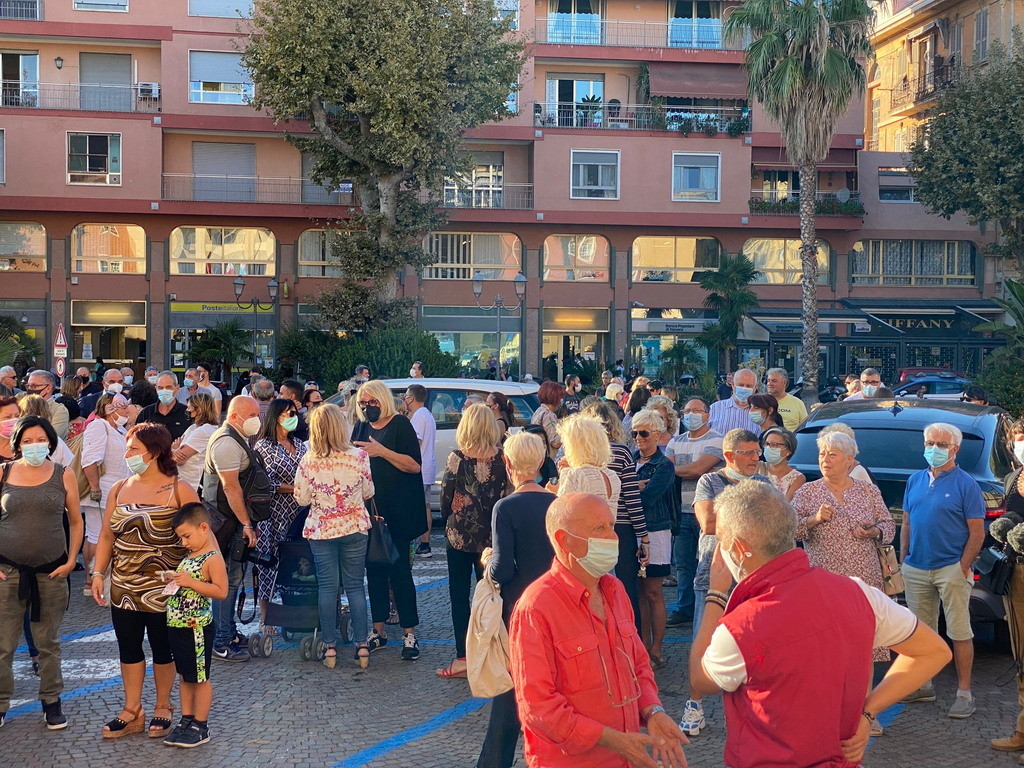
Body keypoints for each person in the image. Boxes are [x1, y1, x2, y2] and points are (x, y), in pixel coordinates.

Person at [688, 481, 953, 768]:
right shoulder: (859, 593)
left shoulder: (741, 627)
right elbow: (934, 651)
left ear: (739, 549)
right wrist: (868, 712)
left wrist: (715, 595)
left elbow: (700, 680)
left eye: (721, 541)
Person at [509, 493, 688, 768]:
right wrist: (613, 740)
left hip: (627, 759)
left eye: (612, 526)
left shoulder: (615, 590)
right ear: (564, 540)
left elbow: (639, 665)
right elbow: (538, 707)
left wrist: (653, 711)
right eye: (599, 528)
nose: (613, 537)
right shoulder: (536, 607)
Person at [91, 423, 200, 739]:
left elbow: (200, 537)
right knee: (128, 646)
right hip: (124, 585)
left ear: (153, 452)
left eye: (133, 449)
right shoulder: (119, 488)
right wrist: (98, 573)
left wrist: (195, 578)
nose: (127, 454)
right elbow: (107, 535)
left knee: (163, 647)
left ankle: (163, 705)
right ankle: (132, 710)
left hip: (166, 587)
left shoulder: (180, 489)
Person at [792, 430, 896, 732]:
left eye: (832, 454)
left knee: (863, 649)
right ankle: (830, 714)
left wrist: (874, 531)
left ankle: (865, 715)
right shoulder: (808, 492)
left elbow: (888, 526)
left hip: (864, 581)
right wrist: (814, 520)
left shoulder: (867, 491)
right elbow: (790, 530)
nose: (825, 459)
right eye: (822, 454)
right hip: (823, 583)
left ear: (849, 460)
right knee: (826, 649)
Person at [681, 428, 770, 737]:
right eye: (748, 452)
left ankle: (748, 708)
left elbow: (772, 529)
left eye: (757, 452)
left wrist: (735, 522)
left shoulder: (764, 484)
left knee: (753, 646)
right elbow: (707, 523)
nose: (756, 458)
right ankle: (694, 705)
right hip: (713, 573)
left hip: (752, 578)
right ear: (730, 455)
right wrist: (752, 522)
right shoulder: (709, 481)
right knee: (703, 641)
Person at [477, 431, 556, 768]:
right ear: (540, 462)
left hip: (518, 608)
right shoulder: (556, 503)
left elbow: (503, 569)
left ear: (507, 463)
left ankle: (494, 762)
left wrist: (487, 561)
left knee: (510, 691)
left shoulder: (506, 507)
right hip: (553, 602)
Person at [0, 415, 83, 730]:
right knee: (3, 644)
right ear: (18, 444)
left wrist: (71, 560)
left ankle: (51, 701)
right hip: (7, 572)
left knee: (48, 642)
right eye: (27, 440)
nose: (34, 445)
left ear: (50, 442)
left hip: (51, 573)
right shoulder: (3, 472)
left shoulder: (64, 474)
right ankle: (0, 703)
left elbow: (76, 521)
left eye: (40, 439)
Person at [899, 422, 986, 718]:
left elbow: (977, 532)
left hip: (951, 568)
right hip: (916, 567)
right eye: (929, 443)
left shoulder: (966, 484)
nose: (933, 449)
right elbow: (907, 523)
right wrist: (904, 558)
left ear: (954, 449)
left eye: (941, 444)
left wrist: (962, 566)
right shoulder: (915, 480)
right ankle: (923, 685)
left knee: (959, 631)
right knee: (920, 633)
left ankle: (964, 694)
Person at [293, 404, 374, 669]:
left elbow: (301, 498)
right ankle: (362, 645)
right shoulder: (359, 456)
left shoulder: (308, 460)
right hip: (354, 526)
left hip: (322, 529)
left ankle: (329, 647)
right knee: (355, 587)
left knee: (327, 588)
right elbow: (368, 492)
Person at [352, 380, 426, 661]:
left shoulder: (400, 425)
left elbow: (414, 465)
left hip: (399, 511)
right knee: (374, 570)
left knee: (400, 572)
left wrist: (382, 452)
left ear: (382, 400)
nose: (367, 407)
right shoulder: (361, 427)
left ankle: (409, 633)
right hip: (370, 511)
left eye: (372, 402)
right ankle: (378, 631)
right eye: (363, 403)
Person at [436, 404, 508, 679]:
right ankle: (492, 654)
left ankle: (463, 657)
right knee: (491, 596)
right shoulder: (502, 458)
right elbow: (507, 495)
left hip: (459, 535)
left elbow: (445, 497)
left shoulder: (457, 458)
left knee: (459, 595)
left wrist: (450, 517)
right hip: (491, 537)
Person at [200, 395, 262, 663]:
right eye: (252, 415)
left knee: (232, 579)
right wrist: (246, 523)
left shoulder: (236, 437)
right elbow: (230, 487)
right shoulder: (226, 442)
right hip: (226, 522)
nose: (257, 420)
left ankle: (228, 632)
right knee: (227, 581)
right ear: (235, 416)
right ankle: (221, 640)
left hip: (229, 521)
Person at [162, 503, 228, 749]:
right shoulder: (189, 557)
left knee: (200, 678)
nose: (184, 542)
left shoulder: (213, 558)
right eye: (181, 538)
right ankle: (186, 719)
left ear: (203, 528)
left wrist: (190, 582)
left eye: (187, 536)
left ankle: (201, 724)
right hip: (178, 625)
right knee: (185, 676)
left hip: (196, 627)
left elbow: (221, 591)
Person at [580, 400, 649, 632]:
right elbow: (632, 498)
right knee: (626, 590)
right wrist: (644, 537)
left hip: (586, 528)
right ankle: (631, 641)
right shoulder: (621, 452)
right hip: (621, 527)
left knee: (591, 588)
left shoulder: (577, 454)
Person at [664, 397, 723, 627]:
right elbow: (666, 469)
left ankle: (708, 609)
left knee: (706, 561)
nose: (691, 415)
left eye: (697, 410)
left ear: (707, 415)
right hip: (681, 510)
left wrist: (675, 469)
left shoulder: (716, 440)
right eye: (687, 410)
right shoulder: (675, 441)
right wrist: (677, 470)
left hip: (707, 512)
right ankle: (684, 608)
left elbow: (698, 469)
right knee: (683, 563)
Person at [253, 398, 308, 630]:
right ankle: (266, 616)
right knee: (268, 563)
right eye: (289, 413)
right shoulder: (264, 447)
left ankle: (295, 612)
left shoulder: (300, 444)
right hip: (273, 514)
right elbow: (266, 483)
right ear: (277, 417)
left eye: (295, 413)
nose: (294, 417)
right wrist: (295, 488)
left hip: (298, 513)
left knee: (296, 562)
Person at [631, 410, 675, 670]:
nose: (638, 438)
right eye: (635, 433)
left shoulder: (664, 465)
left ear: (657, 435)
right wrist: (634, 488)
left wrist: (629, 491)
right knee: (639, 591)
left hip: (656, 531)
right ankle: (643, 646)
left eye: (644, 433)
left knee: (653, 592)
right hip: (633, 531)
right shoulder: (631, 460)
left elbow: (648, 499)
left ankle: (656, 648)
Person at [990, 422, 1024, 754]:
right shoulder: (1014, 478)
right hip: (1016, 573)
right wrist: (1005, 527)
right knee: (1020, 654)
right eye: (1019, 440)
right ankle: (1022, 728)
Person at [81, 393, 132, 584]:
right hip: (101, 491)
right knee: (97, 535)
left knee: (98, 534)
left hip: (115, 492)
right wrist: (95, 487)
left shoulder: (118, 429)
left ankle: (95, 577)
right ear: (109, 409)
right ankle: (93, 578)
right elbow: (89, 460)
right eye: (122, 407)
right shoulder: (99, 426)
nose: (126, 411)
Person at [404, 384, 437, 560]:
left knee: (415, 507)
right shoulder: (427, 414)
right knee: (425, 506)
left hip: (419, 468)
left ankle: (417, 543)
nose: (405, 400)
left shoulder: (419, 416)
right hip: (427, 467)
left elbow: (414, 442)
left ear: (411, 398)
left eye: (406, 396)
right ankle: (425, 543)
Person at [173, 393, 218, 492]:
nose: (187, 410)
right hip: (183, 481)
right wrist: (175, 450)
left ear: (199, 410)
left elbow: (177, 459)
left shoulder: (204, 431)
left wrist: (174, 450)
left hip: (192, 485)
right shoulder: (193, 427)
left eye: (189, 408)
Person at [137, 371, 192, 442]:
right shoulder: (146, 413)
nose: (164, 391)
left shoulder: (187, 413)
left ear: (177, 388)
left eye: (168, 387)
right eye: (160, 388)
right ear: (156, 388)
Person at [708, 369, 761, 436]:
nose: (744, 388)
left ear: (755, 388)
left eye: (748, 386)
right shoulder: (714, 409)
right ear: (733, 385)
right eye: (741, 385)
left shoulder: (761, 412)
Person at [758, 427, 805, 500]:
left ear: (788, 451)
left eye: (774, 445)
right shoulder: (757, 467)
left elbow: (786, 504)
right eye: (767, 444)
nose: (768, 448)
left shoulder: (797, 478)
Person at [25, 371, 69, 440]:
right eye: (28, 386)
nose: (30, 389)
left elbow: (52, 436)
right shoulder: (22, 406)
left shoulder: (59, 411)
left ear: (48, 388)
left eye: (34, 386)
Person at [530, 381, 564, 460]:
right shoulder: (549, 415)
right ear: (555, 398)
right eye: (560, 397)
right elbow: (555, 442)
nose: (561, 400)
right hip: (549, 457)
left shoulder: (538, 411)